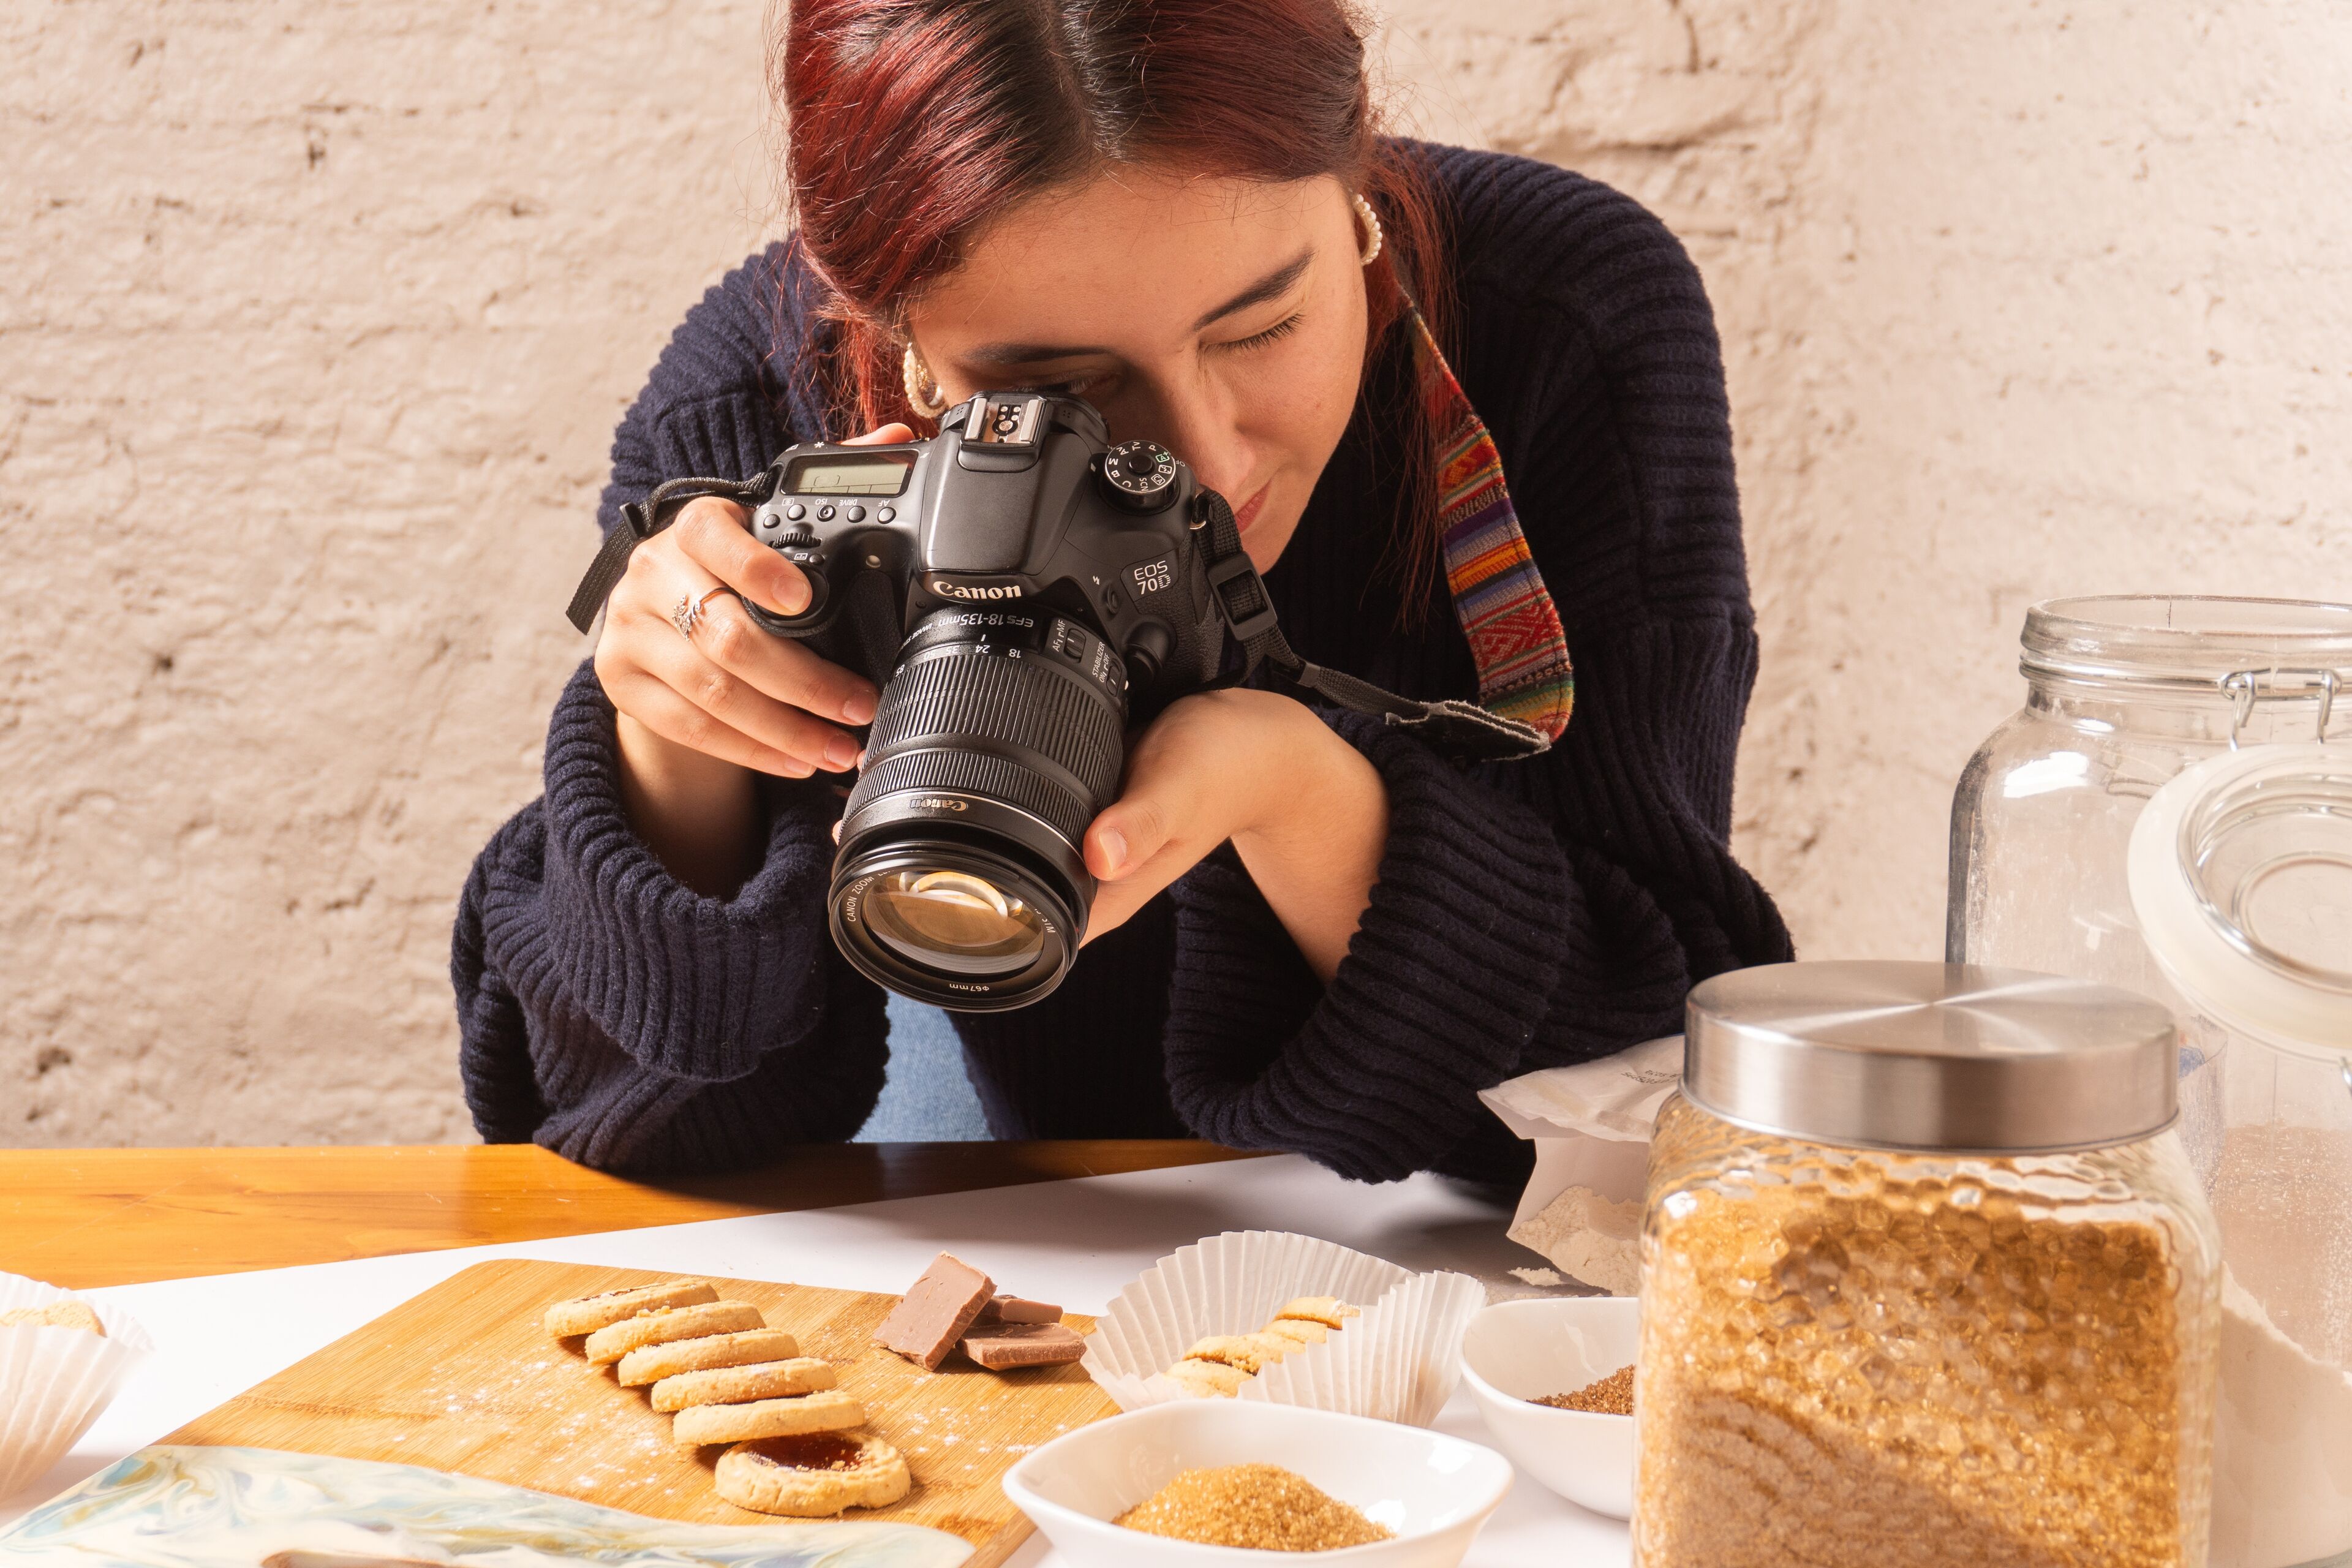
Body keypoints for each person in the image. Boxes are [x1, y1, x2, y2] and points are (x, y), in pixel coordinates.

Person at [451, 0, 1793, 1183]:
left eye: (1262, 324)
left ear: (1357, 188)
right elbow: (622, 1138)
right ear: (896, 340)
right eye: (1059, 391)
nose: (1205, 459)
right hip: (986, 1132)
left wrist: (1307, 801)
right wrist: (679, 759)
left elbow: (1653, 1117)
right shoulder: (756, 408)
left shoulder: (1566, 319)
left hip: (1426, 1194)